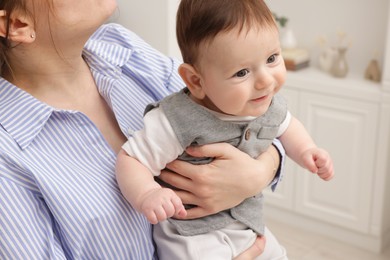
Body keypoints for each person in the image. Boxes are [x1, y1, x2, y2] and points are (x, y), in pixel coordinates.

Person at [0, 0, 287, 259]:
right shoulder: (8, 158)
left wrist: (261, 170)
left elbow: (241, 112)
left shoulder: (123, 46)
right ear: (17, 25)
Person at [116, 0, 334, 259]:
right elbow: (131, 159)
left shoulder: (267, 105)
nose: (265, 80)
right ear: (196, 81)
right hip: (193, 234)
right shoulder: (176, 119)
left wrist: (307, 149)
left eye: (272, 58)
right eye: (242, 72)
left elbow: (287, 126)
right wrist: (148, 193)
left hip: (247, 223)